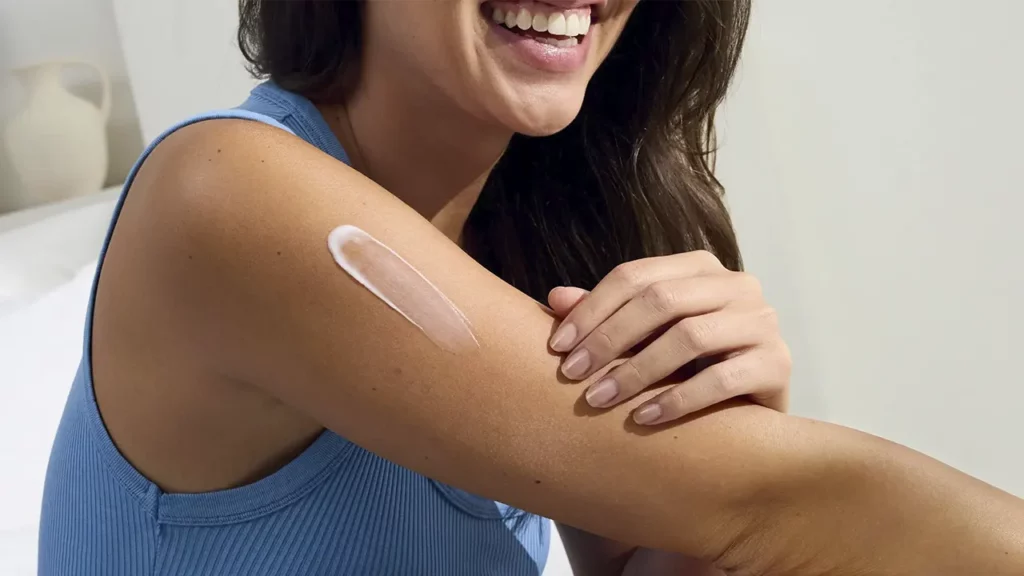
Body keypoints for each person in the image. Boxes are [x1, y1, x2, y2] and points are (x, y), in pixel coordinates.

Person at [38, 0, 1024, 574]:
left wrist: (723, 440)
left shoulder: (539, 232)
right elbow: (790, 506)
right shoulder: (225, 197)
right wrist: (744, 484)